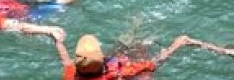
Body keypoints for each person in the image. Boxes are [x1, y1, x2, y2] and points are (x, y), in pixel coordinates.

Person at [55, 33, 191, 79]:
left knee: (123, 50)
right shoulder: (117, 73)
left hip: (115, 65)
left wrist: (58, 42)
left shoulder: (70, 74)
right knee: (146, 61)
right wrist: (174, 47)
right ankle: (179, 42)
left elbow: (65, 60)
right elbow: (152, 64)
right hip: (124, 68)